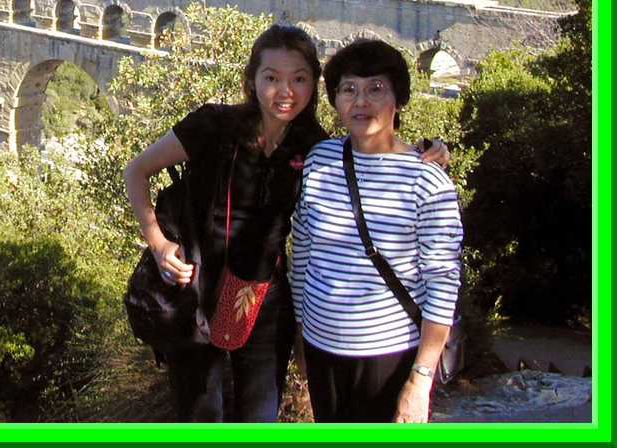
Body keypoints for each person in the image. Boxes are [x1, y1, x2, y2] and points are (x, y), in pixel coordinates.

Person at [124, 25, 448, 422]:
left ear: (314, 86)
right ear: (252, 81)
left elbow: (370, 143)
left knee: (258, 419)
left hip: (262, 298)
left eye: (299, 79)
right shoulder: (213, 125)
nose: (285, 91)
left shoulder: (313, 145)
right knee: (199, 415)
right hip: (192, 286)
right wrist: (157, 243)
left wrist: (425, 151)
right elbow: (136, 170)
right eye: (271, 78)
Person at [290, 39, 463, 423]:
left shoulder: (428, 182)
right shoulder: (320, 159)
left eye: (375, 89)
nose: (360, 102)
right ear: (335, 100)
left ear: (398, 99)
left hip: (390, 355)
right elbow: (302, 249)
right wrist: (301, 332)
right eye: (348, 90)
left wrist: (420, 380)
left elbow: (443, 285)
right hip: (321, 348)